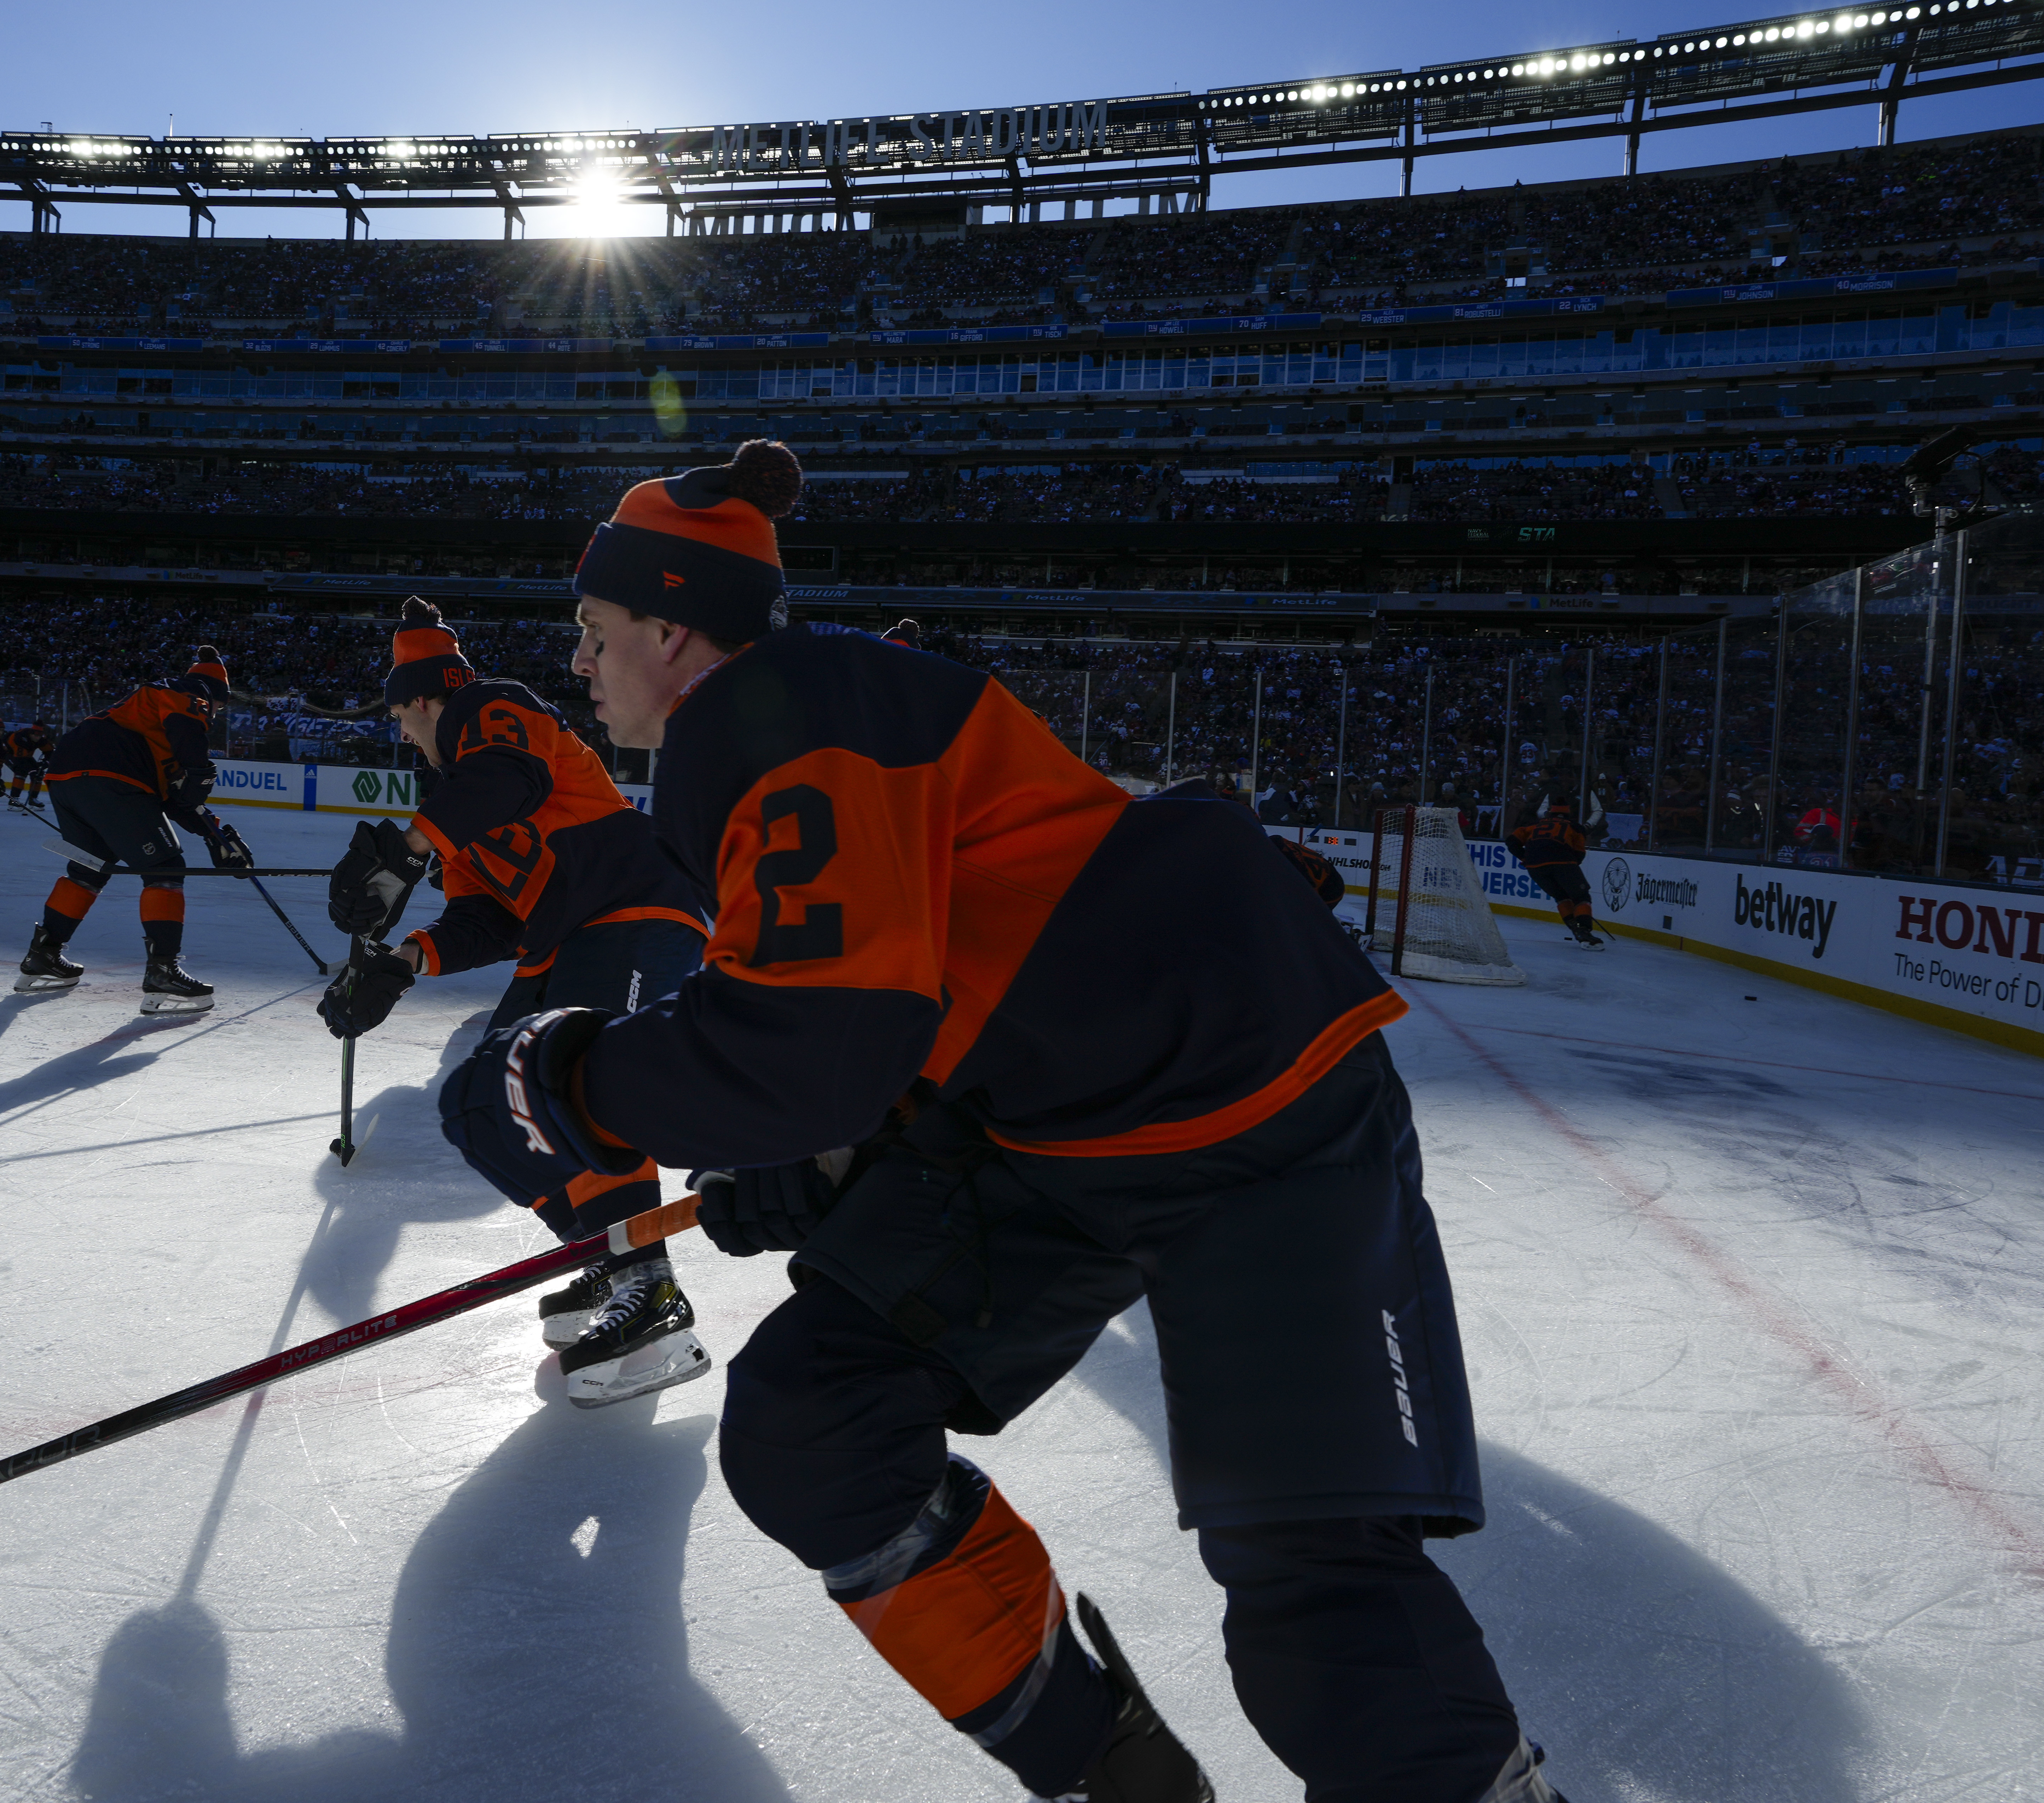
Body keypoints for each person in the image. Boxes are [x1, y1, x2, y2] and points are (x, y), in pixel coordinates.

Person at [438, 442, 1564, 1803]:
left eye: (594, 630)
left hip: (1258, 1113)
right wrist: (808, 1153)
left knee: (1316, 1578)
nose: (579, 662)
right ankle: (1116, 1772)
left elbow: (817, 1047)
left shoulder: (778, 709)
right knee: (812, 1422)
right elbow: (880, 1025)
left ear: (673, 631)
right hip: (1056, 1119)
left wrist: (560, 1080)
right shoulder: (774, 725)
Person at [322, 597, 713, 1408]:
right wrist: (400, 961)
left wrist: (405, 850)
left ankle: (653, 1292)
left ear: (428, 697)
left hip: (634, 910)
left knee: (583, 1080)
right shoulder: (456, 807)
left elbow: (512, 775)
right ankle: (613, 1256)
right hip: (563, 939)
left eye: (400, 714)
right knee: (476, 1104)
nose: (402, 732)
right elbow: (485, 919)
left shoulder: (490, 708)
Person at [16, 648, 249, 1014]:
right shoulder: (188, 692)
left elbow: (175, 798)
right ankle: (163, 972)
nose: (214, 714)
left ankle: (43, 957)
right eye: (217, 707)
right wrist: (202, 772)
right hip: (112, 772)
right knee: (166, 868)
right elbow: (189, 743)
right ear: (214, 694)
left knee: (89, 868)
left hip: (67, 775)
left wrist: (215, 836)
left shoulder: (148, 721)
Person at [1507, 785, 1603, 949]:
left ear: (1550, 813)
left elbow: (1511, 841)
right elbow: (1579, 855)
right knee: (1581, 897)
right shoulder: (1575, 828)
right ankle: (1585, 933)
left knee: (1562, 897)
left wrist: (1526, 858)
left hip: (1536, 868)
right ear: (1568, 814)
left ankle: (1576, 929)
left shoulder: (1534, 826)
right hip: (1563, 863)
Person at [1, 717, 56, 809]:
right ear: (31, 733)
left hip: (26, 757)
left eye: (39, 736)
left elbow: (50, 752)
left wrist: (46, 763)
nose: (37, 738)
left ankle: (33, 799)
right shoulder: (20, 738)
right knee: (21, 772)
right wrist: (32, 770)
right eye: (35, 735)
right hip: (10, 755)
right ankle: (14, 799)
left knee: (39, 774)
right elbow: (21, 761)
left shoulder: (41, 740)